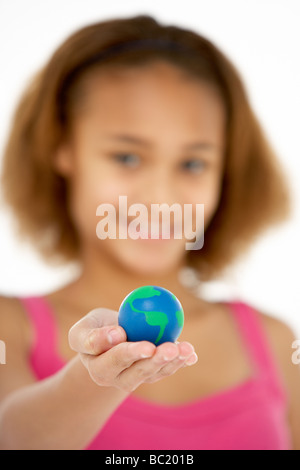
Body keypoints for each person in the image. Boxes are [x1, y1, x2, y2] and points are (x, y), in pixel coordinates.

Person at [0, 14, 299, 450]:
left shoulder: (277, 342)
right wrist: (96, 378)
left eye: (193, 163)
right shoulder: (10, 328)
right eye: (126, 157)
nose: (161, 197)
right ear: (62, 149)